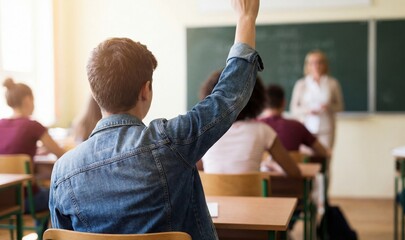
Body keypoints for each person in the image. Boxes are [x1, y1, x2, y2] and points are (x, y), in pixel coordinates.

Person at [49, 1, 262, 239]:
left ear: (94, 90)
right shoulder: (172, 142)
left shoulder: (62, 172)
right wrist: (246, 19)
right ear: (146, 90)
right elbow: (227, 97)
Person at [200, 71, 301, 177]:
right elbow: (294, 172)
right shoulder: (262, 130)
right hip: (251, 193)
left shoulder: (204, 131)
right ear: (255, 98)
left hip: (211, 193)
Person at [0, 77, 65, 213]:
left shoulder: (1, 124)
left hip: (4, 199)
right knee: (63, 195)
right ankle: (46, 232)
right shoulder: (32, 126)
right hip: (26, 199)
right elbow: (61, 155)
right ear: (27, 99)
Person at [290, 50, 344, 151]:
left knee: (325, 160)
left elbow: (340, 107)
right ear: (308, 65)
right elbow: (294, 109)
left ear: (324, 65)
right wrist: (307, 110)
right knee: (306, 160)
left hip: (326, 129)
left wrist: (328, 107)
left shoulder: (333, 83)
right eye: (312, 63)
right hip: (306, 128)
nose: (316, 65)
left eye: (319, 62)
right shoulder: (301, 84)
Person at [260, 84, 327, 156]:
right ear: (284, 102)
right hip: (290, 166)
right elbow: (323, 151)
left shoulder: (255, 125)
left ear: (262, 103)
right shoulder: (297, 126)